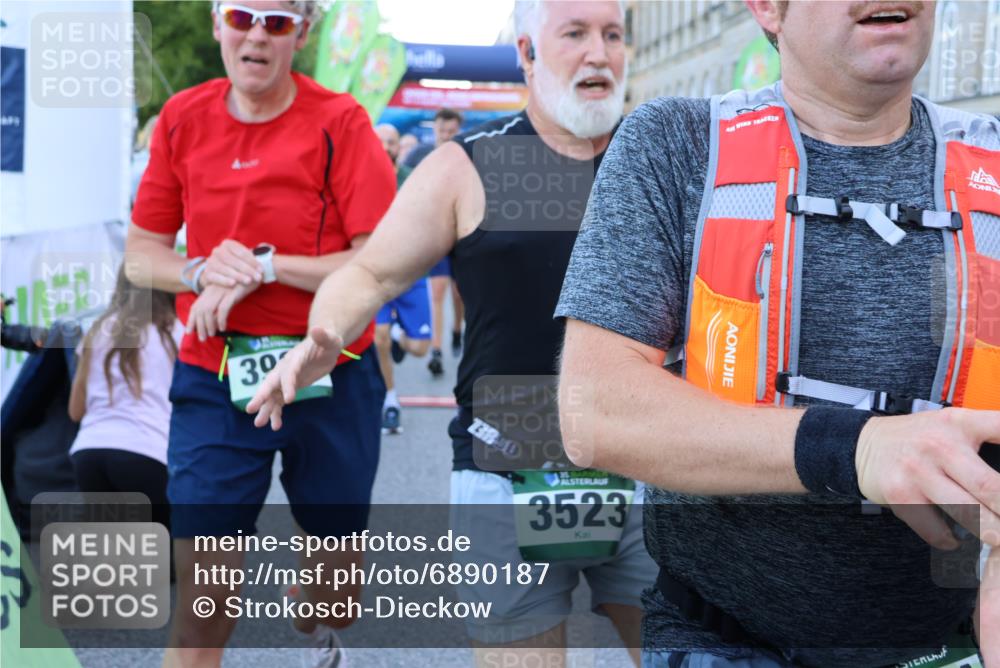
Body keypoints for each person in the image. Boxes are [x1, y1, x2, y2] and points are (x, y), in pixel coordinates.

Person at [555, 1, 1000, 666]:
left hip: (958, 640)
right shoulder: (675, 144)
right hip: (723, 639)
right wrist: (854, 449)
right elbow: (594, 410)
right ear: (768, 8)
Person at [247, 1, 656, 666]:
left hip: (645, 462)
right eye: (575, 34)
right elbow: (372, 274)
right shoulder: (468, 165)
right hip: (505, 466)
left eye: (612, 34)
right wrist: (323, 334)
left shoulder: (657, 162)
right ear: (526, 53)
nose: (599, 52)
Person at [124, 2, 395, 666]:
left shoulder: (342, 121)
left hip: (329, 370)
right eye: (243, 15)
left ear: (300, 34)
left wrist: (264, 267)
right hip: (217, 380)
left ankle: (318, 611)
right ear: (218, 22)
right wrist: (200, 269)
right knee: (205, 606)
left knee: (338, 597)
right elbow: (140, 255)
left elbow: (380, 259)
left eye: (276, 21)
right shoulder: (184, 118)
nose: (256, 34)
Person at [68, 266, 181, 535]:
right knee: (166, 562)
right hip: (149, 453)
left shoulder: (98, 330)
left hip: (90, 453)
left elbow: (75, 411)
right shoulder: (176, 331)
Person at [373, 123, 432, 434]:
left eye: (391, 142)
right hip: (376, 273)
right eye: (379, 141)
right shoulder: (358, 178)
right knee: (377, 337)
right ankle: (390, 401)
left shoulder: (411, 180)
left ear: (400, 147)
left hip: (410, 272)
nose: (385, 146)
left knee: (421, 348)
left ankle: (398, 331)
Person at [404, 108, 467, 377]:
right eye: (443, 131)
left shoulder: (467, 154)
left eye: (452, 131)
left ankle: (457, 331)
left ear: (458, 131)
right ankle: (437, 352)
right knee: (437, 291)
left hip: (463, 233)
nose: (447, 135)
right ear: (435, 129)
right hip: (435, 232)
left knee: (459, 292)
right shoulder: (420, 155)